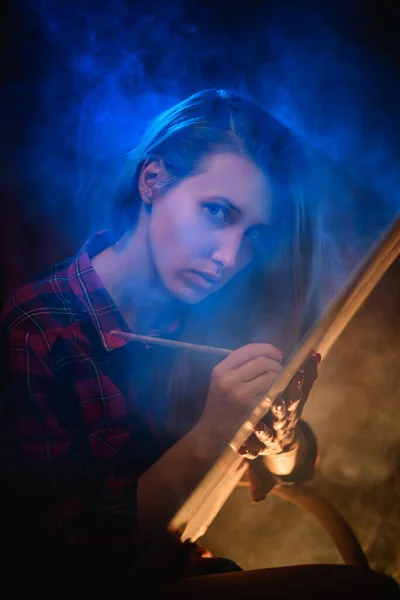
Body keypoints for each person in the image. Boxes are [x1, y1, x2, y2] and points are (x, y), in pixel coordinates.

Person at [1, 89, 398, 599]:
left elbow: (287, 467)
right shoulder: (37, 328)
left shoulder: (197, 315)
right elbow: (74, 563)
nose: (229, 257)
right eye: (217, 212)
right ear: (152, 181)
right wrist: (213, 432)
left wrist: (280, 437)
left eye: (253, 233)